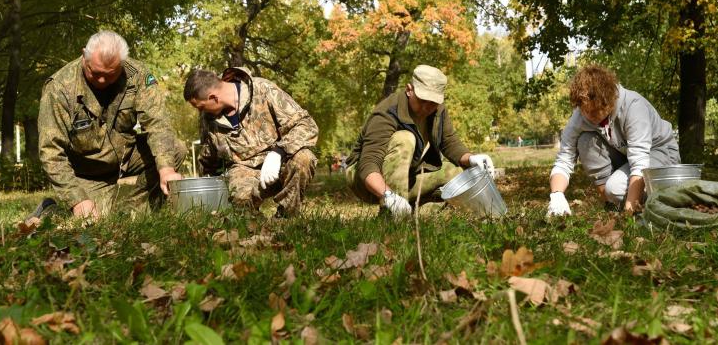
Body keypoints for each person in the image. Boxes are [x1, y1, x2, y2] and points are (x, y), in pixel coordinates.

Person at [38, 30, 186, 219]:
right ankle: (51, 209)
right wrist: (77, 199)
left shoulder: (137, 75)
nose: (102, 81)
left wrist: (166, 169)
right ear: (84, 55)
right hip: (85, 172)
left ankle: (134, 210)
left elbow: (158, 123)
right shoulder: (59, 88)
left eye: (110, 75)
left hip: (125, 157)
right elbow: (50, 151)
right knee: (93, 218)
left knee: (175, 149)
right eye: (95, 73)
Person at [345, 65, 495, 219]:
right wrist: (388, 195)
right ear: (409, 89)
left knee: (456, 172)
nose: (427, 107)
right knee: (405, 139)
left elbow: (449, 142)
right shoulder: (387, 112)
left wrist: (471, 158)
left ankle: (423, 216)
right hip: (365, 179)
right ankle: (391, 217)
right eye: (423, 100)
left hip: (409, 175)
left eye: (433, 102)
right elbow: (368, 163)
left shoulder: (438, 110)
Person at [547, 64, 680, 217]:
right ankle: (611, 206)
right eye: (586, 111)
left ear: (610, 99)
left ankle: (664, 199)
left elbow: (640, 164)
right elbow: (564, 160)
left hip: (659, 152)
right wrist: (556, 195)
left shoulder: (633, 107)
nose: (591, 116)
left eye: (596, 110)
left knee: (615, 189)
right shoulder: (580, 117)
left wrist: (629, 214)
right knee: (586, 141)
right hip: (624, 156)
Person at [183, 67, 318, 218]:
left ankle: (286, 219)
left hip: (281, 162)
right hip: (244, 170)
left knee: (304, 158)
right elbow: (208, 158)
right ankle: (255, 227)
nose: (201, 111)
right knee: (240, 205)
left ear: (214, 98)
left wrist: (278, 152)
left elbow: (306, 125)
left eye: (201, 107)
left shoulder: (263, 90)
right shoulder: (209, 119)